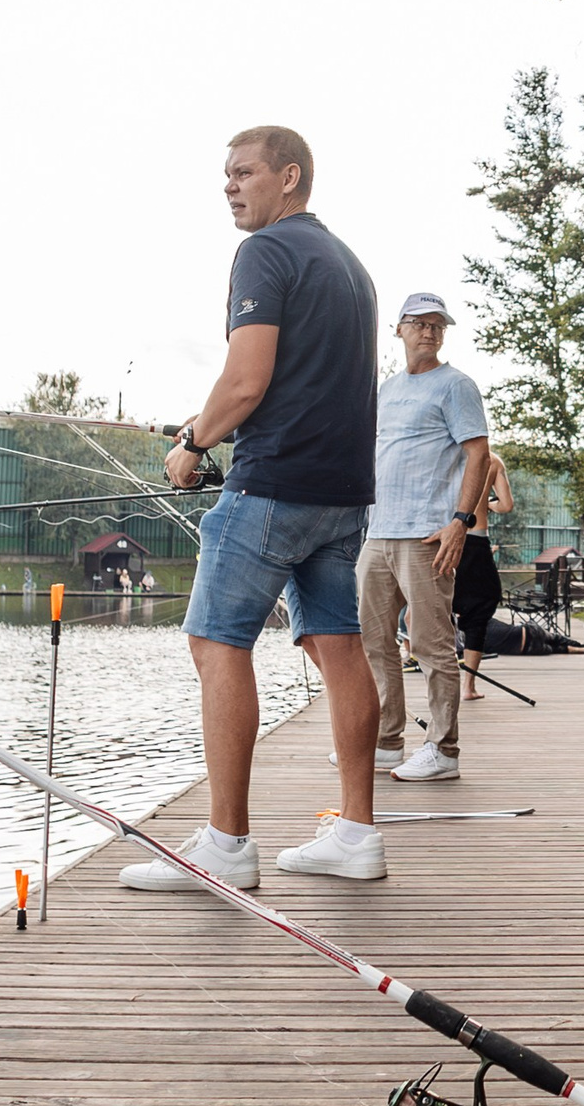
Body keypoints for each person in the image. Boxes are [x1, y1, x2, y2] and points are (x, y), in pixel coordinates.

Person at [124, 123, 387, 890]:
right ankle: (357, 834)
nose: (231, 185)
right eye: (226, 175)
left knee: (216, 642)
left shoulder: (264, 252)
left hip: (272, 488)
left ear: (290, 177)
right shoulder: (353, 268)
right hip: (344, 497)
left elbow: (246, 381)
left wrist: (193, 442)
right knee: (339, 649)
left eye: (244, 172)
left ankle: (227, 846)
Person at [358, 292, 492, 783]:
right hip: (378, 534)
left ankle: (443, 749)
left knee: (431, 645)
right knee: (374, 642)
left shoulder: (455, 386)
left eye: (438, 325)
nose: (429, 331)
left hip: (428, 536)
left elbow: (478, 454)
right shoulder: (385, 390)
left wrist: (461, 520)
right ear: (398, 329)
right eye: (419, 322)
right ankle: (387, 742)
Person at [456, 450, 513, 700]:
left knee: (432, 608)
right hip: (475, 541)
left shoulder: (446, 454)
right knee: (482, 606)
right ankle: (467, 687)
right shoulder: (492, 460)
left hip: (441, 538)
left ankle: (438, 680)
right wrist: (487, 504)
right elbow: (506, 505)